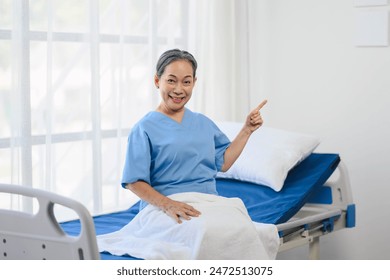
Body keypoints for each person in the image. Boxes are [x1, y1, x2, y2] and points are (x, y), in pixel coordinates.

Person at [121, 48, 267, 224]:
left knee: (242, 229)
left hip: (207, 205)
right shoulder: (144, 128)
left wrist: (247, 129)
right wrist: (168, 205)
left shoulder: (203, 123)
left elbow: (224, 163)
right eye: (171, 81)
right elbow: (134, 182)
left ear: (194, 83)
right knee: (201, 234)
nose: (179, 89)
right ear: (157, 81)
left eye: (186, 82)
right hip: (166, 209)